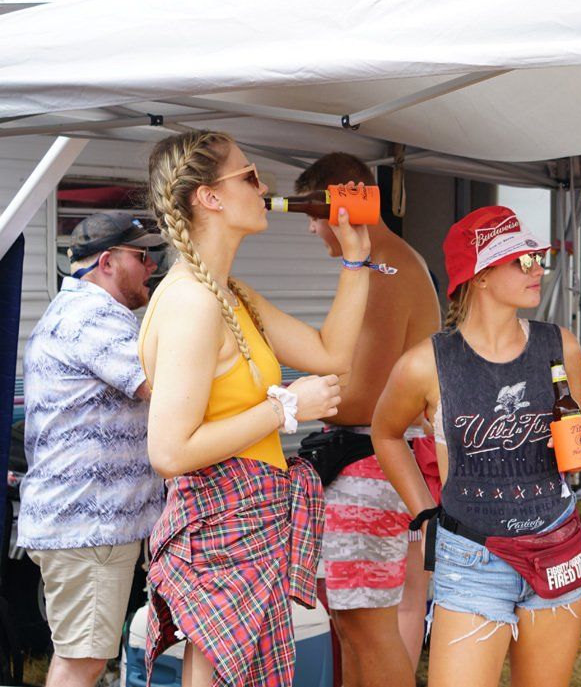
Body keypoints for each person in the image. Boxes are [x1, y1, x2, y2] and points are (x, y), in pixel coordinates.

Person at [139, 130, 371, 687]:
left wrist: (357, 260)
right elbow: (169, 451)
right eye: (249, 176)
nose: (264, 187)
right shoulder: (194, 303)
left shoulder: (229, 293)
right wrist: (287, 407)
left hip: (252, 521)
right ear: (209, 198)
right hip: (221, 521)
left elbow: (330, 353)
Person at [372, 206, 581, 687]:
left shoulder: (562, 346)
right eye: (521, 260)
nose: (537, 268)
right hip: (473, 557)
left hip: (557, 543)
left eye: (538, 257)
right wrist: (425, 513)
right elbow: (386, 433)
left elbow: (571, 439)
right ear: (478, 275)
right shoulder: (426, 364)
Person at [296, 153, 441, 687]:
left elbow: (368, 397)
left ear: (342, 200)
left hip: (372, 463)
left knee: (365, 625)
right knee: (360, 625)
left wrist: (290, 401)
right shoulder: (390, 260)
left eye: (314, 213)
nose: (313, 228)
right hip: (386, 462)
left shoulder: (383, 266)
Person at [20, 212, 165, 687]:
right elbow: (166, 389)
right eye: (144, 256)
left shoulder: (73, 312)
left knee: (84, 658)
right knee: (81, 663)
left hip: (85, 524)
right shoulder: (94, 318)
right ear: (107, 262)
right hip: (90, 525)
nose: (153, 266)